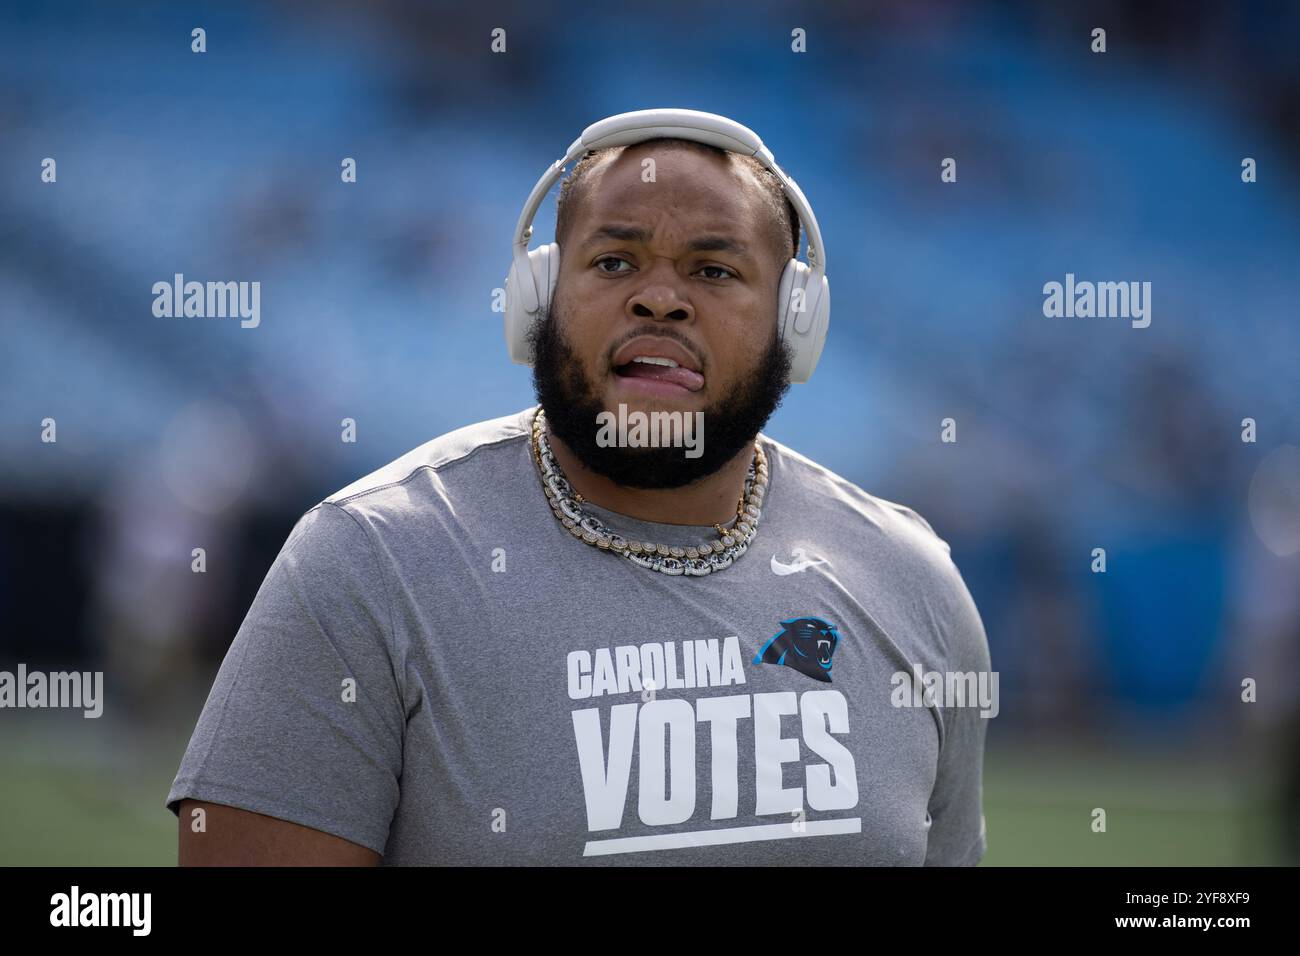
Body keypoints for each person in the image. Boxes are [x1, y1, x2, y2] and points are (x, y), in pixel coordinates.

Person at [167, 109, 992, 865]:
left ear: (795, 321)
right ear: (539, 303)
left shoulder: (910, 578)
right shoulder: (366, 564)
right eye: (614, 260)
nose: (660, 298)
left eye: (714, 270)